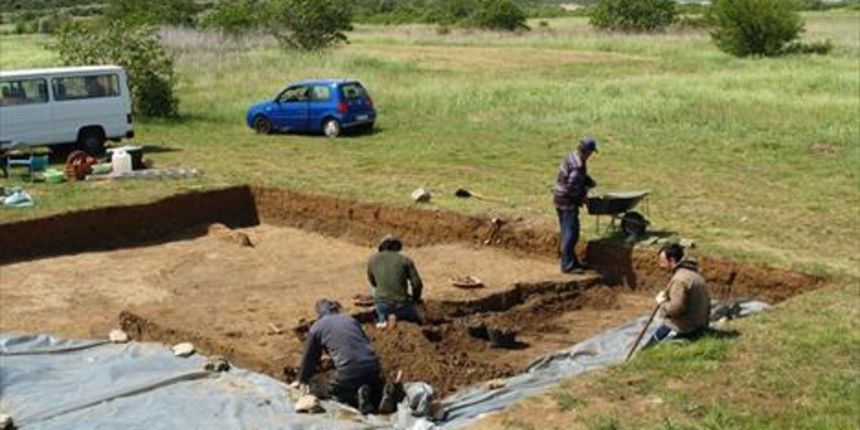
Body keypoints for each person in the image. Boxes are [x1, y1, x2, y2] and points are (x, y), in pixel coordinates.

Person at [294, 299, 384, 414]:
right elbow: (362, 344)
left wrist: (300, 379)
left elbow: (309, 358)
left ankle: (356, 398)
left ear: (320, 314)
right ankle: (377, 395)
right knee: (373, 385)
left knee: (336, 393)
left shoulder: (318, 327)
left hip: (349, 371)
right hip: (373, 366)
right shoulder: (350, 319)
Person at [647, 243, 711, 346]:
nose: (660, 265)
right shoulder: (693, 274)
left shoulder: (679, 280)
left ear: (672, 260)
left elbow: (675, 309)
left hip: (684, 328)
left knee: (648, 349)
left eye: (662, 261)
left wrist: (662, 303)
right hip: (699, 325)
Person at [552, 137, 598, 274]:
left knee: (568, 231)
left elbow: (576, 176)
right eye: (591, 152)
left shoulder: (571, 156)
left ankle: (572, 261)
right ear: (588, 151)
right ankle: (567, 265)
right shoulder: (578, 164)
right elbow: (572, 186)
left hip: (558, 197)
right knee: (571, 233)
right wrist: (583, 198)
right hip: (567, 201)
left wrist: (588, 181)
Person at [367, 235, 424, 329]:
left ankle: (383, 321)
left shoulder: (372, 260)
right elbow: (417, 284)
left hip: (382, 304)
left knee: (375, 290)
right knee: (418, 322)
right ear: (396, 247)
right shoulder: (405, 260)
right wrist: (415, 300)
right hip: (402, 305)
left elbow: (373, 282)